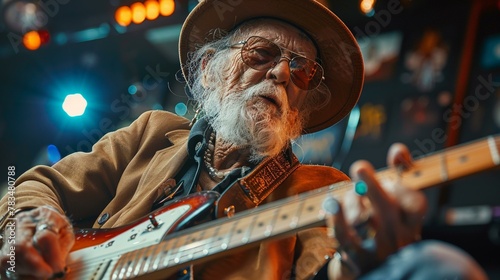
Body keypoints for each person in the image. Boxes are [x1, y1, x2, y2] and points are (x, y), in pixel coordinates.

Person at [0, 0, 488, 279]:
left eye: (302, 70)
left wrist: (361, 258)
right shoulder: (151, 134)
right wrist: (26, 225)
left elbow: (327, 271)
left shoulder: (327, 189)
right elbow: (28, 186)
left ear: (302, 105)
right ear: (210, 71)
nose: (281, 72)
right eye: (261, 53)